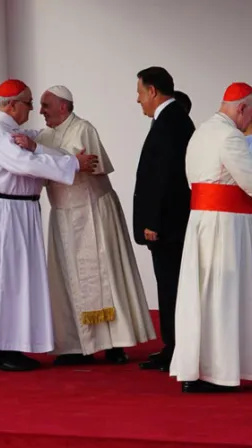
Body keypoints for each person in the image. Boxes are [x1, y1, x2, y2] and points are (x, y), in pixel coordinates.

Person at [0, 79, 98, 372]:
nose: (33, 110)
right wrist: (73, 164)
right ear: (12, 105)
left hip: (15, 209)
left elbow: (36, 143)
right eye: (28, 103)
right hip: (2, 213)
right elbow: (24, 164)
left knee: (15, 279)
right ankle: (1, 351)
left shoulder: (7, 130)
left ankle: (12, 345)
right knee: (3, 278)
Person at [35, 86, 155, 365]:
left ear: (63, 107)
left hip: (92, 213)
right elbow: (37, 164)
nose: (41, 111)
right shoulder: (44, 136)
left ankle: (115, 343)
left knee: (106, 275)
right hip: (62, 217)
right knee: (64, 282)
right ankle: (74, 346)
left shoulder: (83, 129)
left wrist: (55, 161)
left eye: (45, 105)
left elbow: (89, 168)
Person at [170, 83, 252, 393]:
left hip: (203, 222)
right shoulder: (230, 136)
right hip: (226, 225)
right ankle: (219, 371)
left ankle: (196, 367)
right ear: (241, 108)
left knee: (201, 296)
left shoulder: (202, 131)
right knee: (223, 294)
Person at [133, 67, 195, 372]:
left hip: (167, 225)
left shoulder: (171, 122)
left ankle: (176, 349)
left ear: (153, 91)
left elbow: (165, 178)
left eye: (140, 92)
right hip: (171, 223)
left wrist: (153, 222)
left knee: (171, 286)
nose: (138, 99)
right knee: (169, 286)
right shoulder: (171, 119)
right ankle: (173, 346)